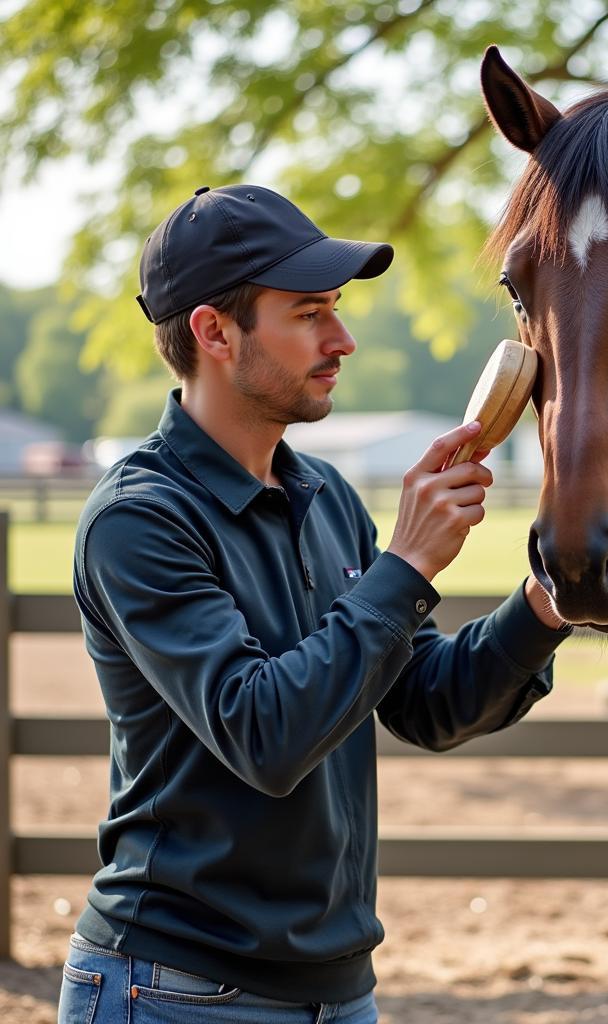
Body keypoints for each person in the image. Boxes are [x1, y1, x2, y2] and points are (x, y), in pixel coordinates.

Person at [58, 184, 571, 1024]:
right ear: (213, 331)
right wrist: (404, 563)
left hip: (338, 994)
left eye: (335, 308)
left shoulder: (324, 495)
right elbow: (265, 732)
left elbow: (426, 702)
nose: (343, 339)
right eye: (307, 314)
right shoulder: (138, 521)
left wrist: (548, 600)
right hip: (173, 992)